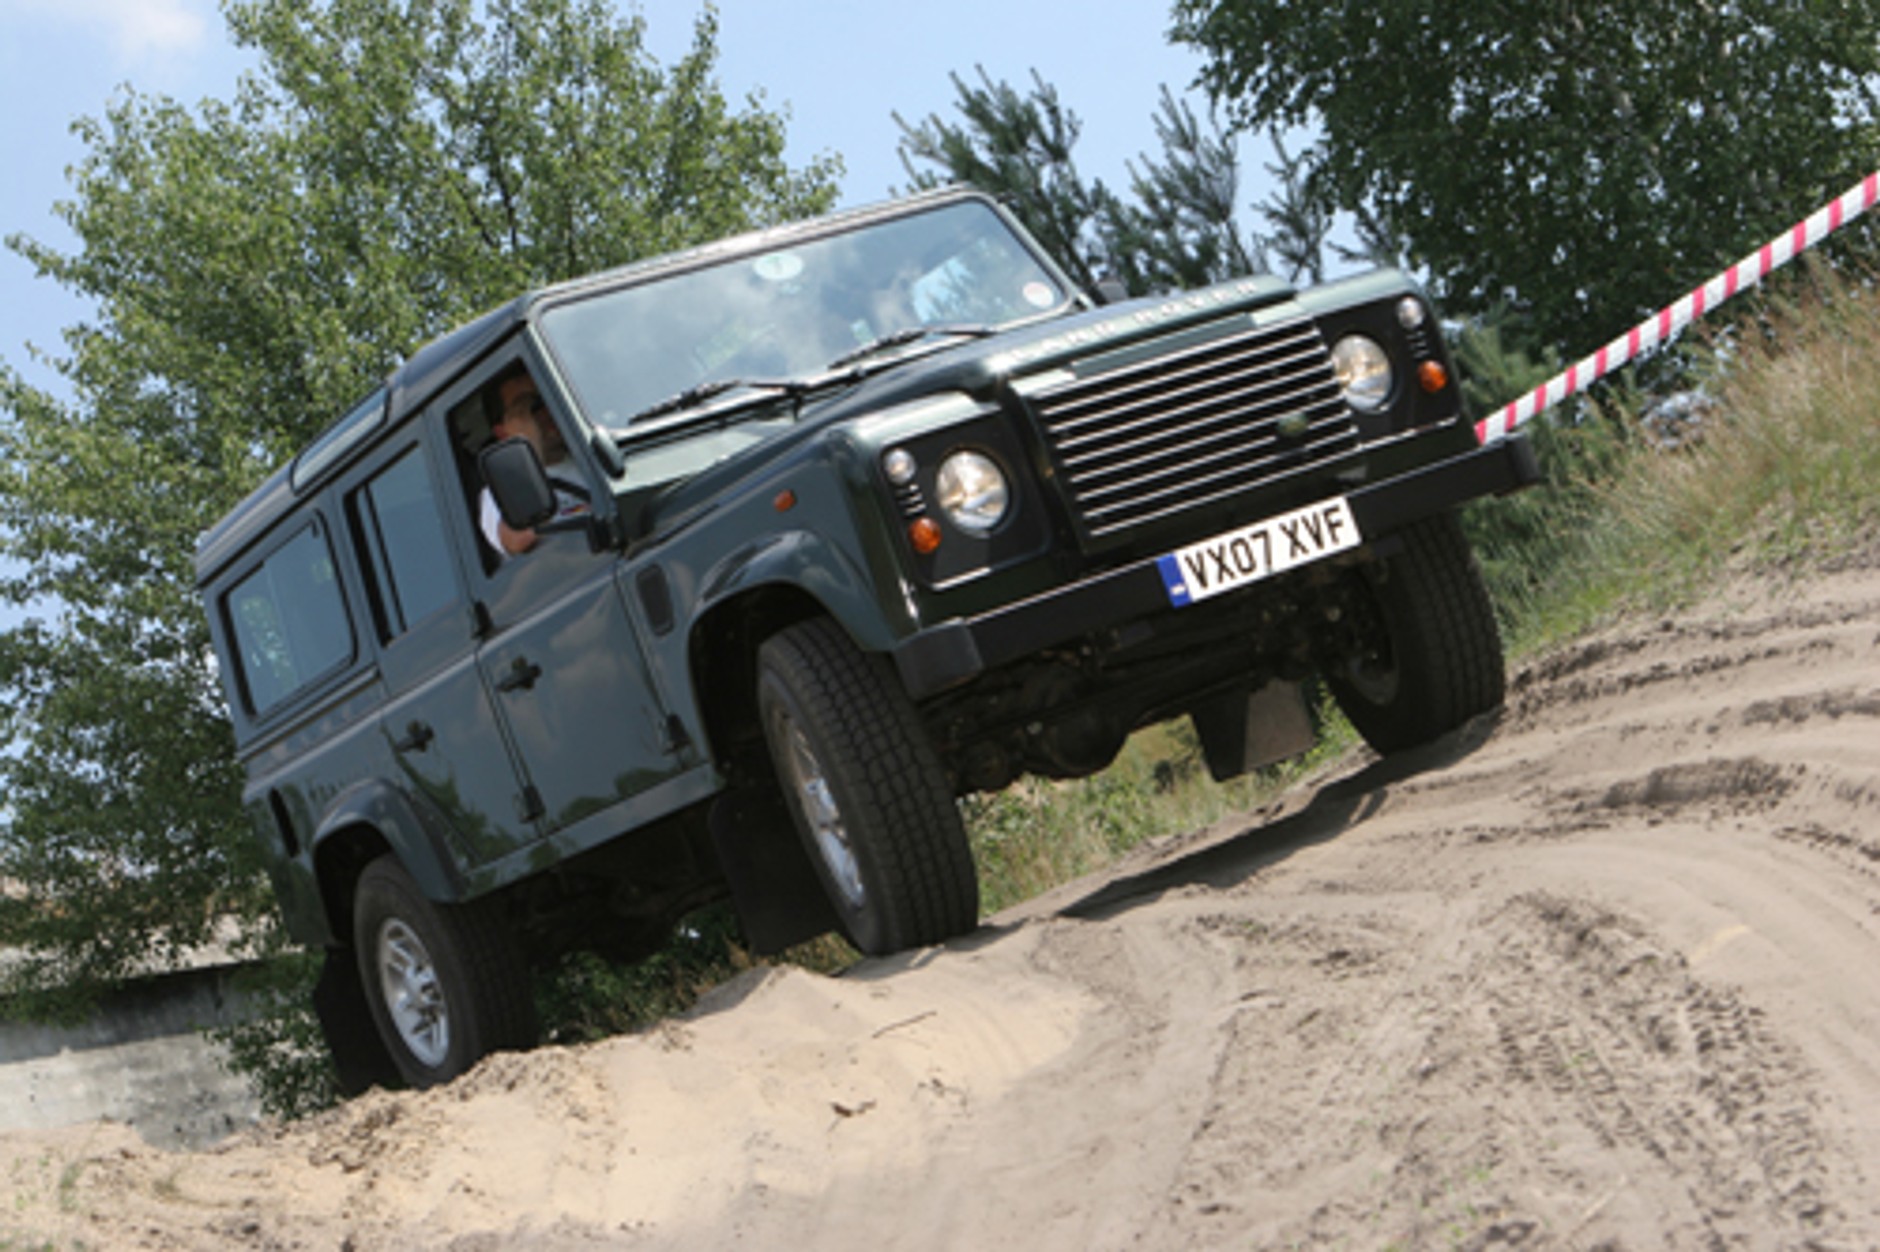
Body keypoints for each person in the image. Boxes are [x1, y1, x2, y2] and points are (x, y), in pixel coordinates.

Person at [478, 365, 590, 559]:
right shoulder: (498, 492)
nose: (544, 413)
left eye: (544, 399)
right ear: (503, 433)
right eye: (527, 408)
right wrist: (529, 448)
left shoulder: (590, 457)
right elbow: (519, 539)